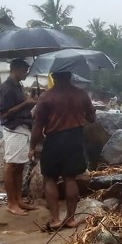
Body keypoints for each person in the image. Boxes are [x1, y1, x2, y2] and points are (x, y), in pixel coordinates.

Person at [29, 71, 96, 231]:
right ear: (71, 76)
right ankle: (71, 219)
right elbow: (92, 118)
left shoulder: (46, 96)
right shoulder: (81, 95)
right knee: (70, 178)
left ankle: (55, 219)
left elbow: (38, 125)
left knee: (50, 178)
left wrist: (32, 147)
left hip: (53, 139)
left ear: (54, 77)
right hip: (75, 139)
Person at [0, 59, 37, 216]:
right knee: (11, 165)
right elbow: (4, 113)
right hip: (14, 128)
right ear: (15, 69)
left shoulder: (18, 86)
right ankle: (11, 203)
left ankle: (19, 199)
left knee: (20, 165)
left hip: (23, 128)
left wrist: (30, 103)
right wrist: (26, 104)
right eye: (24, 70)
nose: (25, 73)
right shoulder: (6, 87)